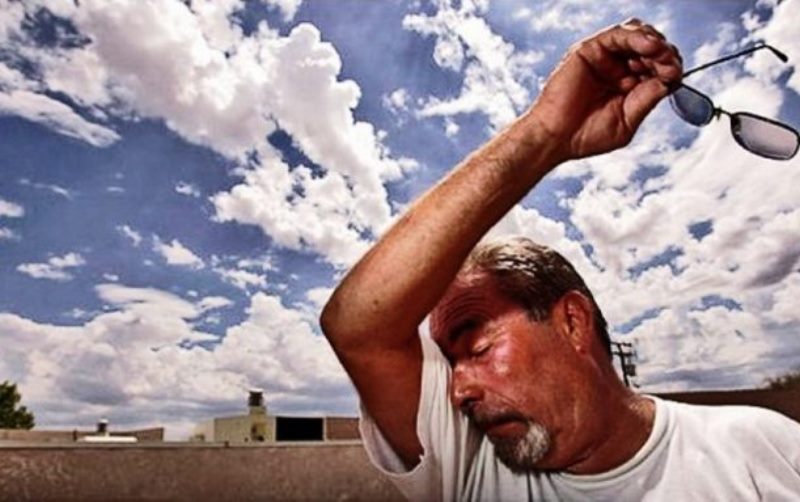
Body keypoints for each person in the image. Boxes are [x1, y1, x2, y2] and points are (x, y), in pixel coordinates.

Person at [320, 19, 800, 501]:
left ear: (572, 322)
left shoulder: (762, 450)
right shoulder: (466, 460)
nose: (458, 390)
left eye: (479, 349)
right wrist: (546, 132)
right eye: (450, 362)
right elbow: (358, 326)